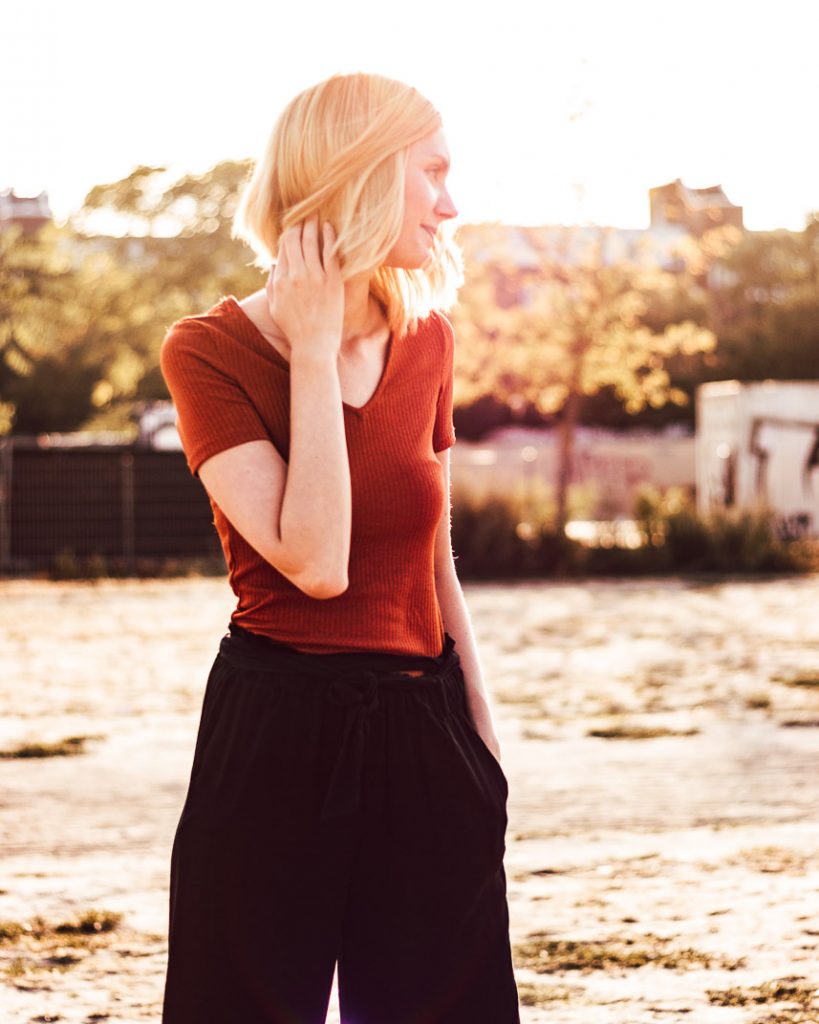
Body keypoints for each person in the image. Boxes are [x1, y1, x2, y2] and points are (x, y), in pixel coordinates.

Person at [159, 72, 520, 1024]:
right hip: (275, 732)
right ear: (359, 174)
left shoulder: (429, 341)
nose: (450, 203)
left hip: (426, 725)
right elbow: (317, 563)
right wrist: (314, 353)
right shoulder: (206, 351)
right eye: (431, 172)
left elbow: (433, 562)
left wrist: (480, 742)